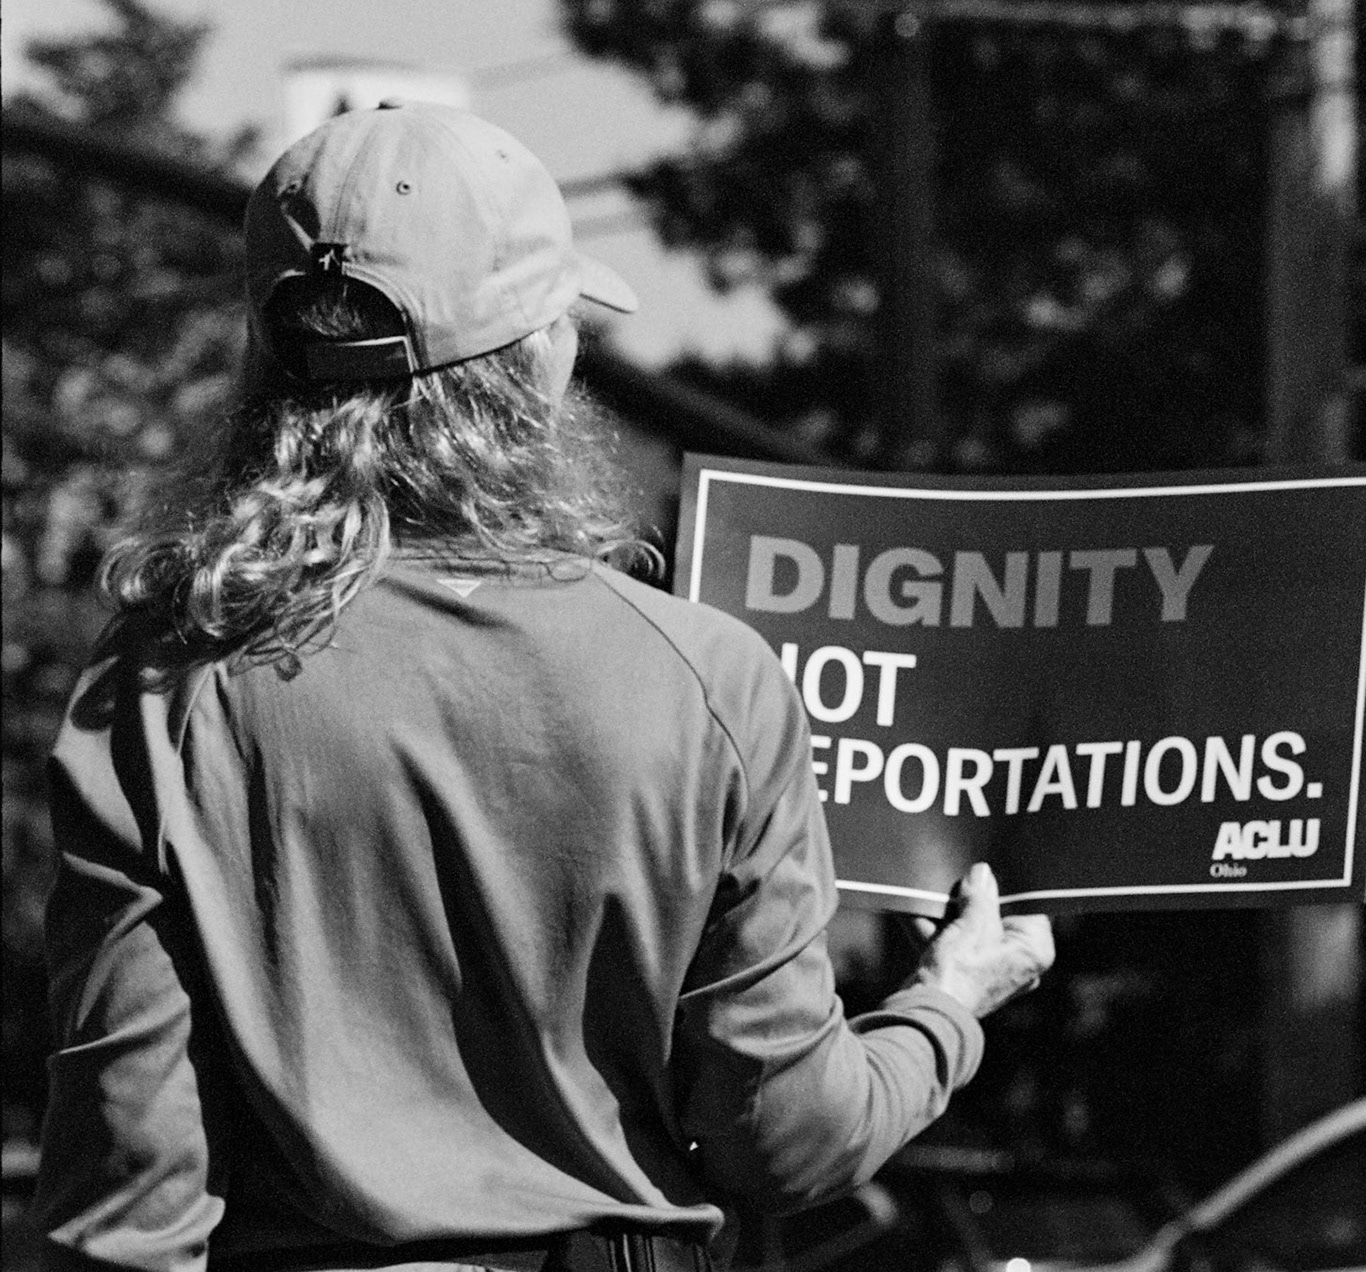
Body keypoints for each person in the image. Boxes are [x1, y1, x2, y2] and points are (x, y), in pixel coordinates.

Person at [32, 100, 1054, 1272]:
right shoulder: (705, 680)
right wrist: (947, 1004)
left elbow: (127, 1204)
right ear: (536, 364)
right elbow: (789, 1145)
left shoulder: (158, 688)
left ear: (271, 365)